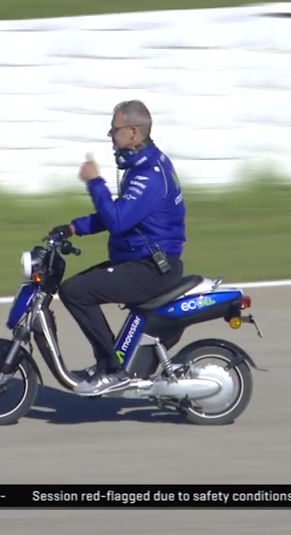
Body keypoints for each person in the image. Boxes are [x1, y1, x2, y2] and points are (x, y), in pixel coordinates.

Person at [49, 100, 187, 396]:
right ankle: (109, 363)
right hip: (142, 261)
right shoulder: (143, 165)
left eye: (114, 129)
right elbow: (121, 213)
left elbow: (118, 220)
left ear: (133, 132)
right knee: (77, 288)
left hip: (151, 269)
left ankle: (112, 369)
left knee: (76, 291)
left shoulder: (149, 175)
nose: (110, 135)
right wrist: (74, 228)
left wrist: (94, 182)